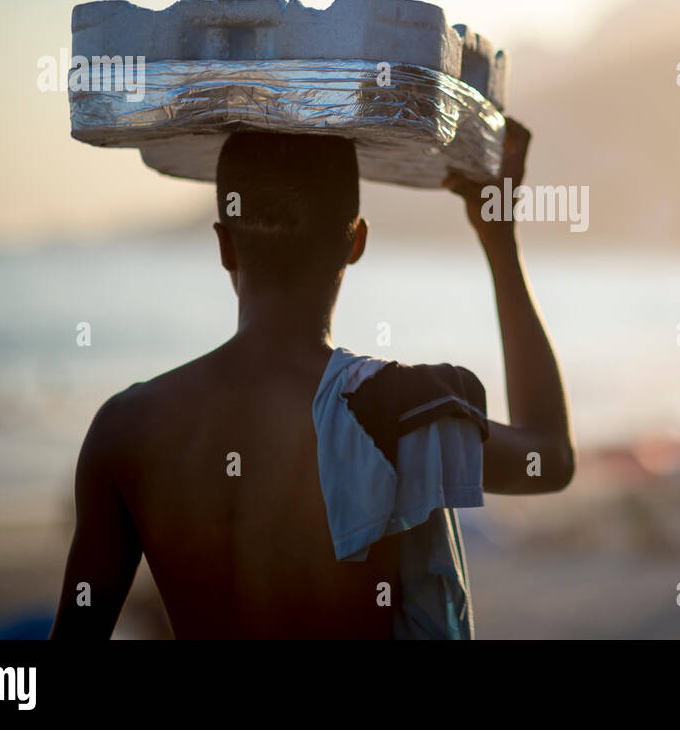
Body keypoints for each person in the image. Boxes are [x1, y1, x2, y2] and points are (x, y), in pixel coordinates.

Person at [50, 120, 572, 638]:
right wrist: (498, 237)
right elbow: (548, 456)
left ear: (224, 246)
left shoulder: (124, 428)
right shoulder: (394, 413)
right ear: (357, 243)